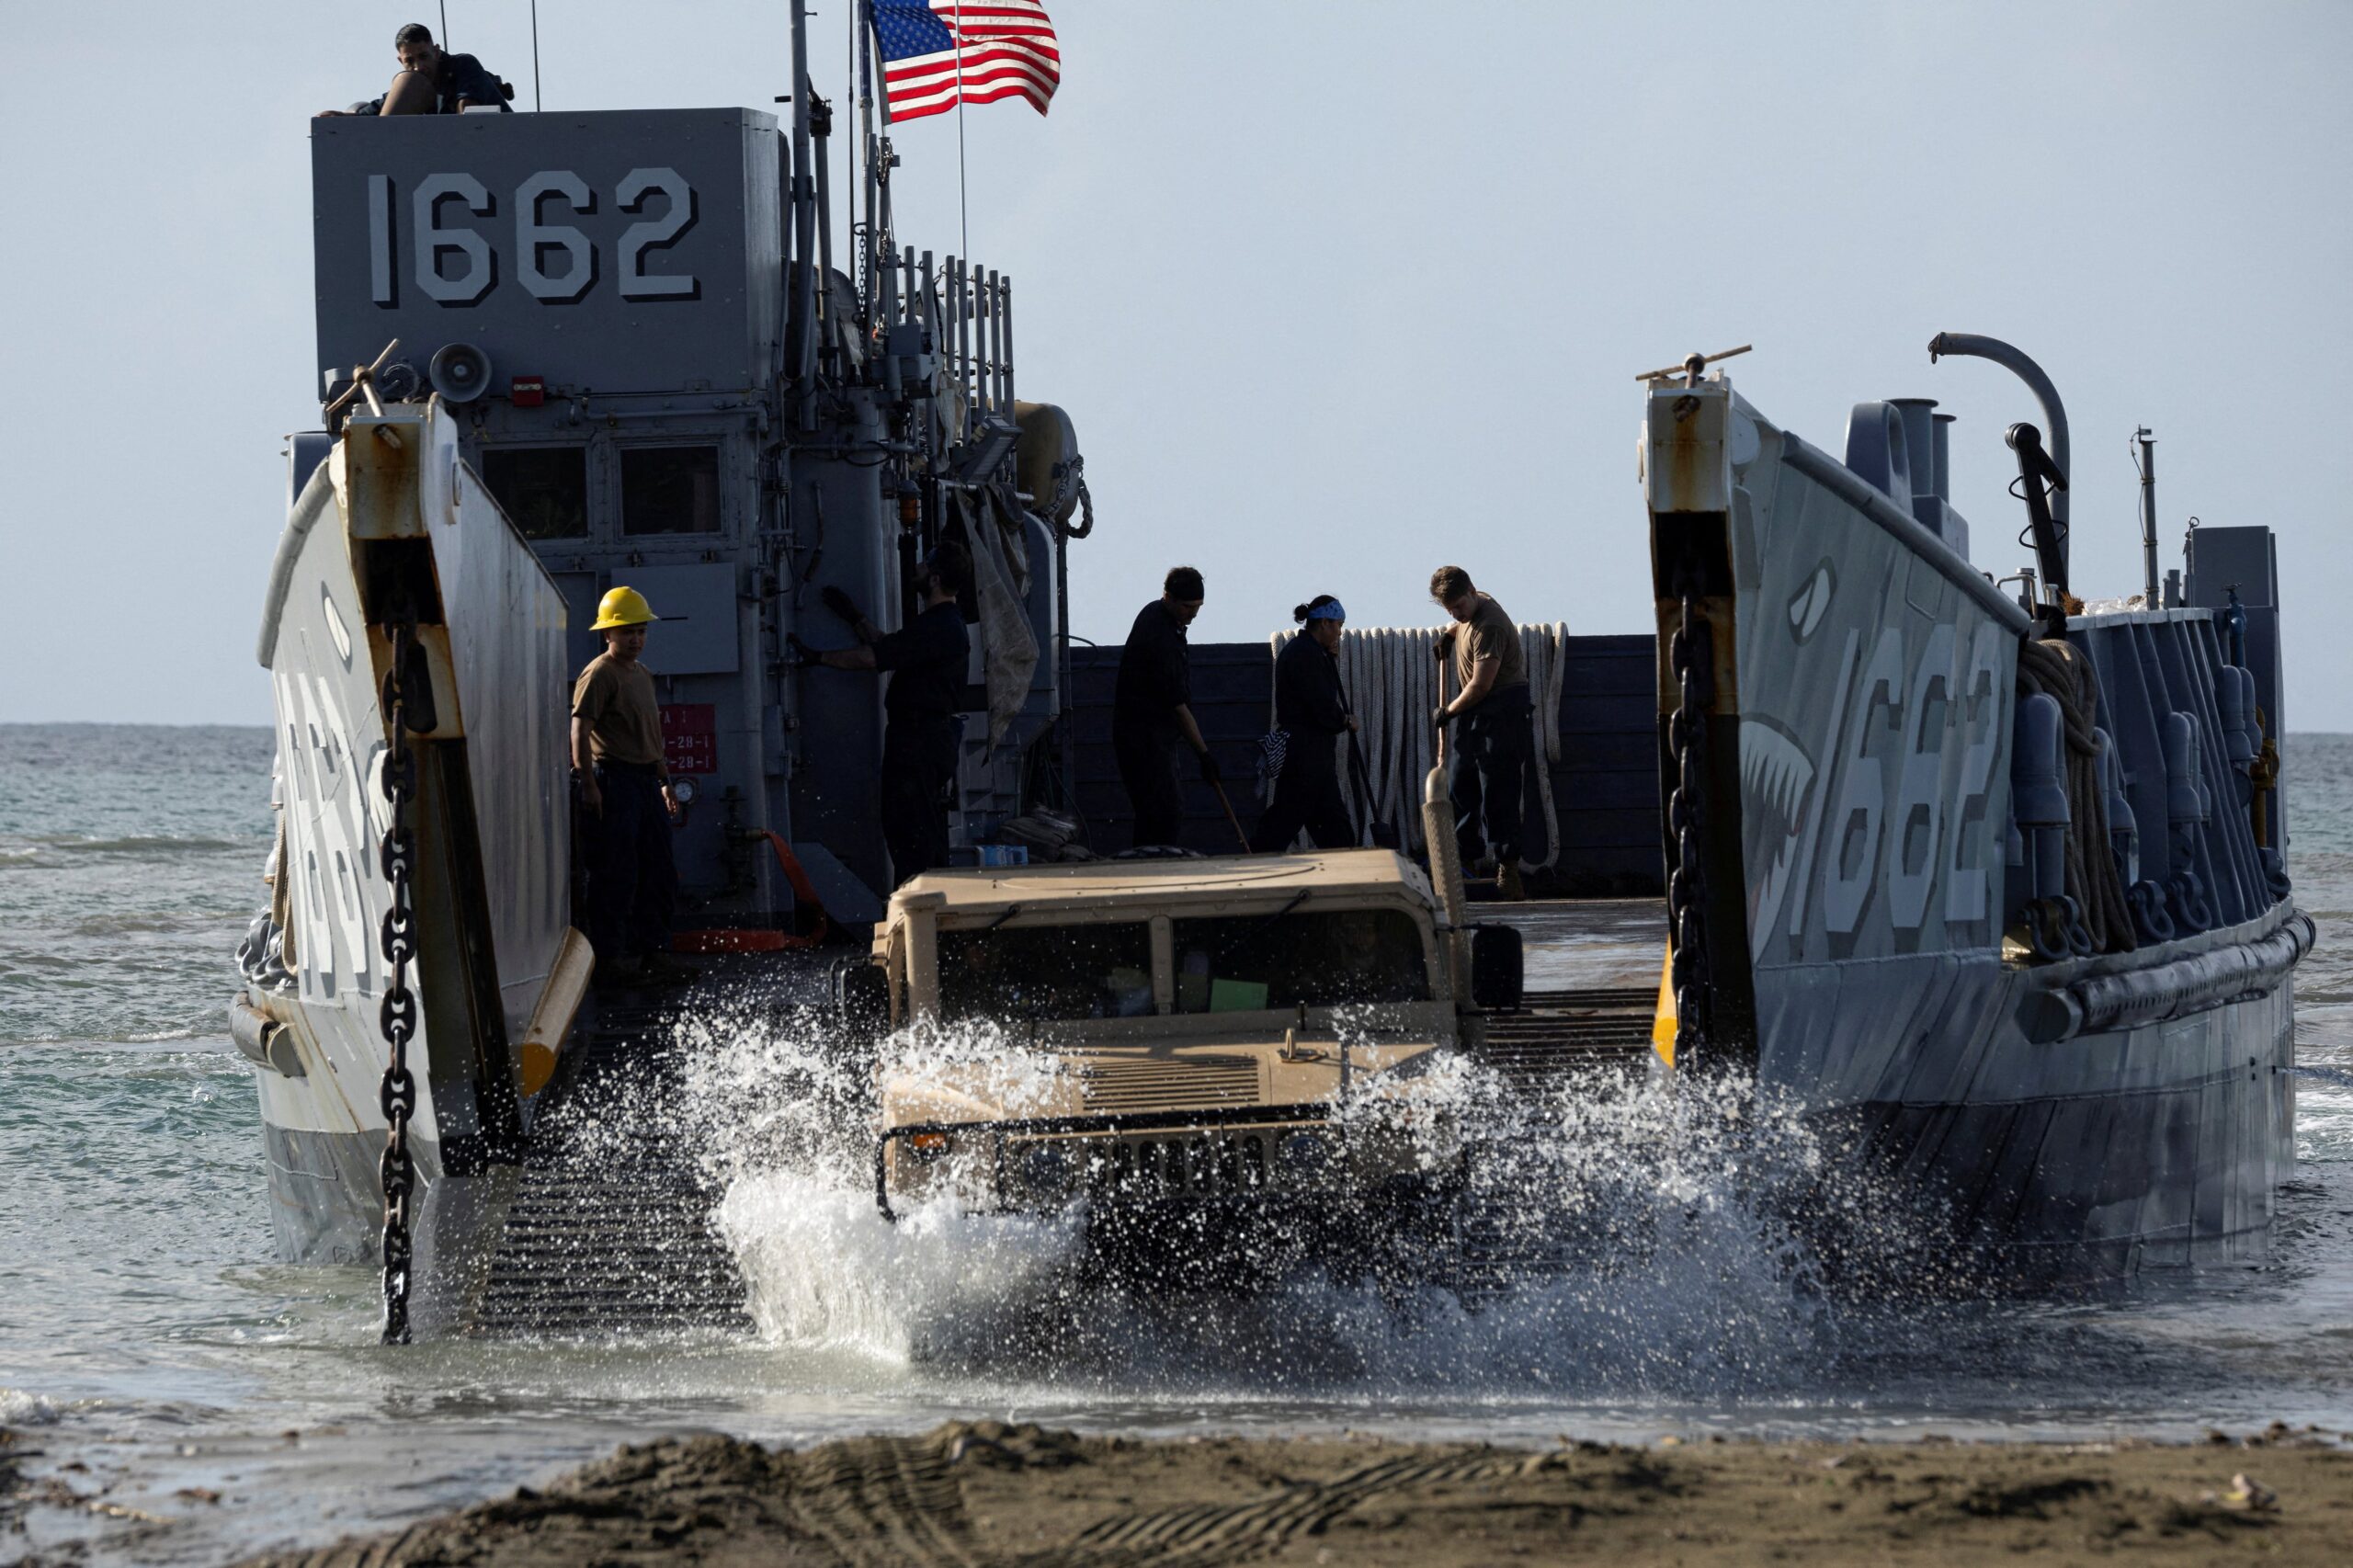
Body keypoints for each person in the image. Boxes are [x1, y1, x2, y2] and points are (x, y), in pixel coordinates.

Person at [805, 543, 974, 886]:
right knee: (915, 825)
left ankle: (921, 904)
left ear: (936, 578)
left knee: (910, 829)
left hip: (919, 741)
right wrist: (854, 617)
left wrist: (819, 657)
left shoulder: (939, 627)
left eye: (925, 565)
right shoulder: (939, 625)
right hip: (923, 738)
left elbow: (874, 658)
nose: (917, 568)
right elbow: (889, 648)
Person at [571, 586, 693, 987]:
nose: (636, 639)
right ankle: (609, 959)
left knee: (657, 869)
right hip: (614, 781)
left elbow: (650, 736)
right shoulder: (600, 673)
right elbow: (580, 728)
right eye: (627, 632)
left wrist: (665, 783)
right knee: (615, 872)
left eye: (640, 631)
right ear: (608, 634)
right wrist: (588, 783)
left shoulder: (642, 675)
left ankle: (652, 953)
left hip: (644, 783)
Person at [1429, 564, 1534, 901]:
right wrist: (1449, 632)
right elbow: (1462, 618)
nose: (1457, 614)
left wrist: (1447, 712)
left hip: (1501, 710)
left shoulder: (1490, 625)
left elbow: (1480, 685)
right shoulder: (1472, 607)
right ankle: (1465, 862)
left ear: (1472, 592)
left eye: (1459, 606)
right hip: (1473, 711)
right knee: (1462, 784)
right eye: (1450, 610)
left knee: (1498, 790)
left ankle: (1508, 868)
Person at [1113, 566, 1220, 849]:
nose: (1193, 614)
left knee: (1156, 811)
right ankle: (1154, 869)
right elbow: (1177, 707)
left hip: (1147, 736)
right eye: (1187, 607)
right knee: (1163, 811)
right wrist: (1204, 755)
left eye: (1198, 607)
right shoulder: (1160, 639)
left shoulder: (1156, 615)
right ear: (1168, 597)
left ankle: (1149, 865)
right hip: (1144, 739)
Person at [1250, 596, 1359, 853]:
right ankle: (1255, 860)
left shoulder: (1308, 652)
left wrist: (1328, 657)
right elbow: (1320, 703)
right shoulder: (1305, 655)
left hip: (1312, 754)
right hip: (1306, 753)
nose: (1339, 633)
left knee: (1327, 823)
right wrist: (1344, 720)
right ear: (1324, 623)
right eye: (1338, 626)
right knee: (1288, 817)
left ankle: (1344, 859)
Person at [317, 23, 513, 118]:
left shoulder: (463, 66)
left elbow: (468, 114)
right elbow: (375, 113)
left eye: (424, 56)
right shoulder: (414, 89)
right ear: (400, 61)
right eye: (409, 61)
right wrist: (341, 118)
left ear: (436, 52)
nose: (418, 67)